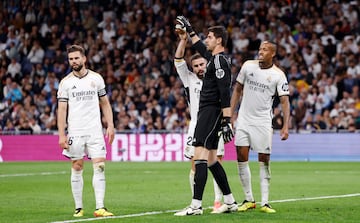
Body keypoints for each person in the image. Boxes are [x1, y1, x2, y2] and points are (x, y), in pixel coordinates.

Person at [174, 16, 237, 216]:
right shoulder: (215, 59)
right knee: (210, 160)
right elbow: (200, 48)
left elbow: (225, 92)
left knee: (199, 157)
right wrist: (190, 31)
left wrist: (227, 121)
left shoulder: (219, 61)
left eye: (209, 37)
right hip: (208, 112)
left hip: (211, 112)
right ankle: (230, 201)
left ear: (219, 40)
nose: (206, 40)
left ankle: (195, 206)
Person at [230, 41, 290, 213]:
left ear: (273, 54)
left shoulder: (278, 75)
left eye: (265, 50)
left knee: (264, 158)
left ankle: (265, 202)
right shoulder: (248, 66)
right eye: (260, 49)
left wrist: (285, 126)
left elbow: (285, 102)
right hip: (243, 120)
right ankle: (249, 199)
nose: (261, 52)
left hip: (263, 122)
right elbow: (237, 90)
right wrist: (230, 114)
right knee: (241, 157)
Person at [57, 45, 115, 218]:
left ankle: (100, 207)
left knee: (100, 166)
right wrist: (61, 134)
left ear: (84, 59)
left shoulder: (96, 79)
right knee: (77, 166)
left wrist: (110, 125)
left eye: (76, 58)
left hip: (95, 130)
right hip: (75, 130)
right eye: (71, 59)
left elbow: (105, 103)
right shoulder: (65, 83)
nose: (74, 61)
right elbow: (61, 110)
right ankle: (78, 208)